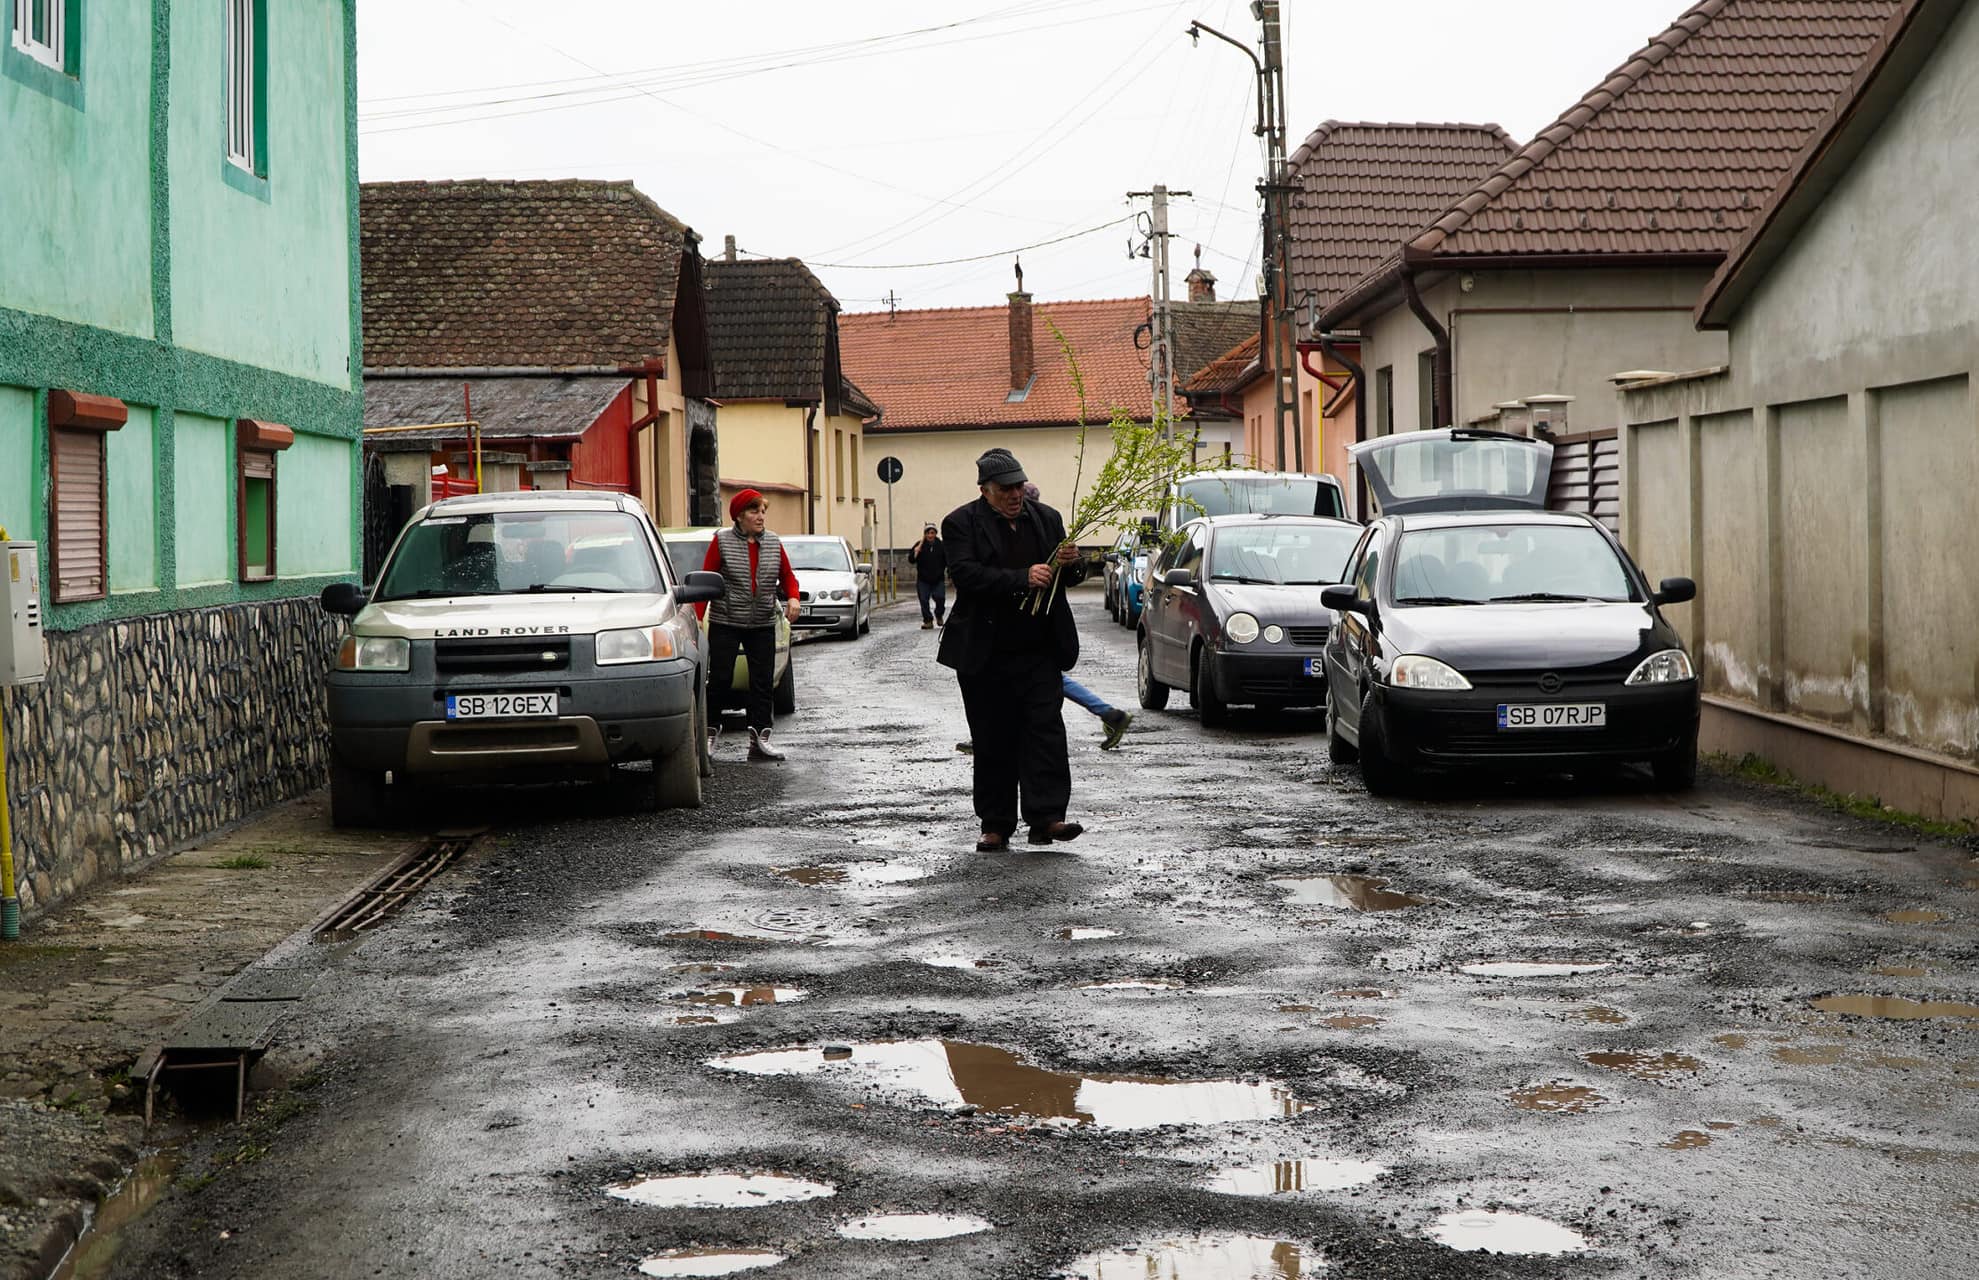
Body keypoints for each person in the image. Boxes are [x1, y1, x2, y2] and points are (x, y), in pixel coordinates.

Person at [937, 448, 1086, 851]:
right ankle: (996, 824)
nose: (1015, 494)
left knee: (1046, 734)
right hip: (985, 653)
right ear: (985, 490)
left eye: (1019, 486)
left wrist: (1073, 563)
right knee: (992, 738)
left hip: (1039, 650)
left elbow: (1068, 578)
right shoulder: (960, 523)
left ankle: (1048, 818)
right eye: (1005, 489)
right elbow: (967, 576)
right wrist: (1022, 578)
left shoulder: (1048, 518)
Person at [697, 489, 800, 761]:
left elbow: (787, 575)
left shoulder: (774, 542)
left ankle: (760, 740)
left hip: (762, 621)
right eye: (754, 511)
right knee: (720, 679)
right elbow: (706, 580)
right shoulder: (722, 541)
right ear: (740, 516)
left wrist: (793, 597)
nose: (761, 516)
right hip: (726, 621)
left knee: (763, 682)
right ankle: (708, 735)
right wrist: (697, 616)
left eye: (763, 511)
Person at [907, 522, 948, 629]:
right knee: (924, 600)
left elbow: (948, 560)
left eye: (932, 533)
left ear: (935, 534)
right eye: (928, 533)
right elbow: (911, 560)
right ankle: (928, 621)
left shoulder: (941, 546)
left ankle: (939, 615)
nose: (930, 535)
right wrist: (916, 552)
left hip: (938, 579)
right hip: (923, 579)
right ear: (925, 534)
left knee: (940, 598)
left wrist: (950, 572)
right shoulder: (919, 545)